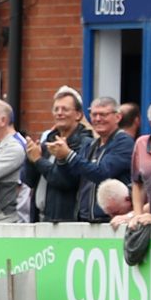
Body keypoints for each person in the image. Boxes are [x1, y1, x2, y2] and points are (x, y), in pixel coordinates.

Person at [25, 87, 92, 222]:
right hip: (41, 218)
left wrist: (38, 160)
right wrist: (30, 159)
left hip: (66, 221)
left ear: (78, 115)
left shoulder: (85, 143)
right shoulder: (48, 141)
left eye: (65, 109)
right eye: (56, 109)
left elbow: (65, 181)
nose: (59, 113)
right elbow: (29, 180)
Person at [66, 96, 135, 222]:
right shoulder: (90, 145)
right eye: (94, 114)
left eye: (103, 115)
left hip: (112, 220)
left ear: (118, 117)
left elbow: (103, 173)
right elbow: (73, 178)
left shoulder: (124, 142)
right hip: (84, 220)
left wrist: (69, 155)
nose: (98, 119)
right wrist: (58, 159)